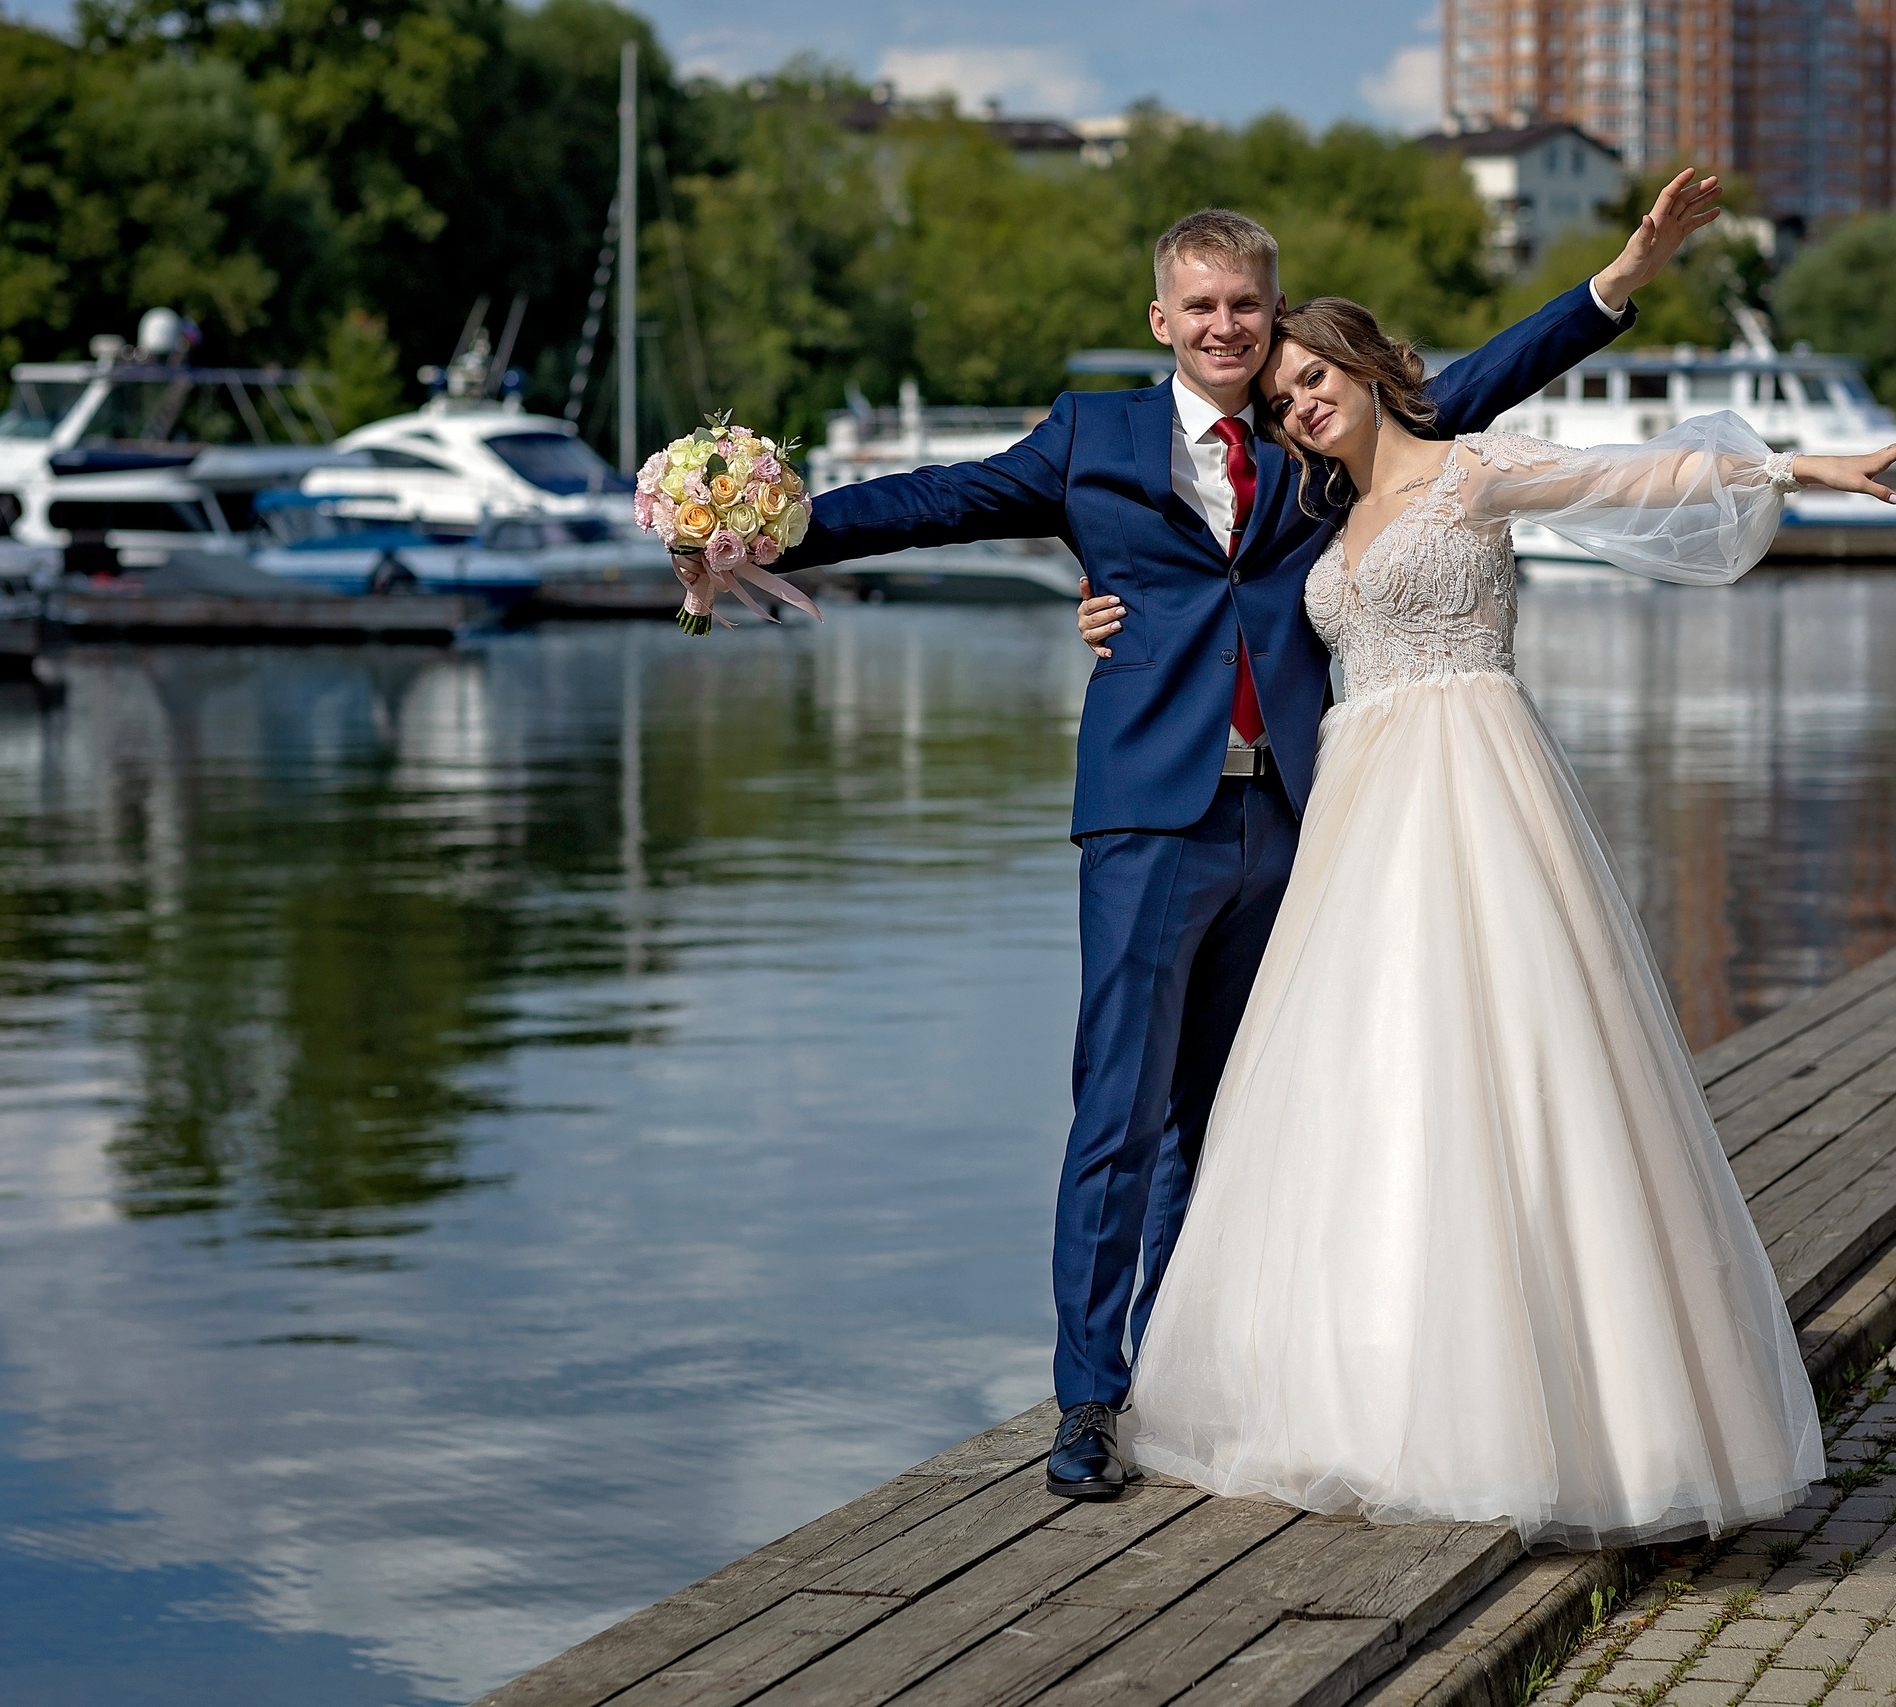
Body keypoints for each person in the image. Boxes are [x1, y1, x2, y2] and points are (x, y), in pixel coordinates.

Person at [670, 177, 1726, 1501]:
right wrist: (744, 524)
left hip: (1297, 818)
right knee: (1115, 1110)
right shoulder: (1090, 438)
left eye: (1248, 304)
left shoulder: (1315, 437)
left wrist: (1615, 282)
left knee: (1230, 1118)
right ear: (1161, 316)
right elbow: (928, 503)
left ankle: (1181, 1370)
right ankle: (1089, 1396)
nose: (1228, 325)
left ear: (1272, 313)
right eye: (1205, 306)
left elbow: (1471, 392)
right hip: (1147, 815)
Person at [1074, 295, 1896, 1543]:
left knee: (1513, 1070)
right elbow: (1190, 592)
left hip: (1474, 789)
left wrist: (1801, 464)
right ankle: (1353, 1388)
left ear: (1373, 371)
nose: (1302, 400)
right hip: (1356, 814)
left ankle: (1556, 1412)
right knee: (1362, 1086)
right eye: (1286, 393)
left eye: (1320, 376)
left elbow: (1629, 474)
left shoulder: (1472, 472)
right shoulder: (1317, 514)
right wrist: (1099, 610)